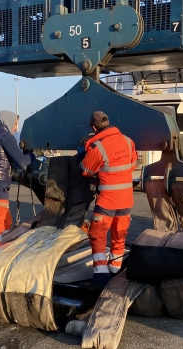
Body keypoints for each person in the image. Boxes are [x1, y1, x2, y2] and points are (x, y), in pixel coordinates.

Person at [0, 110, 44, 253]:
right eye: (15, 123)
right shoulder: (5, 137)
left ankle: (2, 250)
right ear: (8, 121)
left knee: (6, 220)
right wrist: (35, 154)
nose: (16, 127)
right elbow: (22, 161)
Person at [80, 111, 137, 286]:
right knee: (119, 236)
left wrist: (84, 153)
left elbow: (86, 170)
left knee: (97, 235)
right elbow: (132, 163)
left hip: (107, 201)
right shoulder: (128, 142)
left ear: (94, 127)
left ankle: (100, 277)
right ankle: (115, 272)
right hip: (126, 200)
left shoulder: (99, 147)